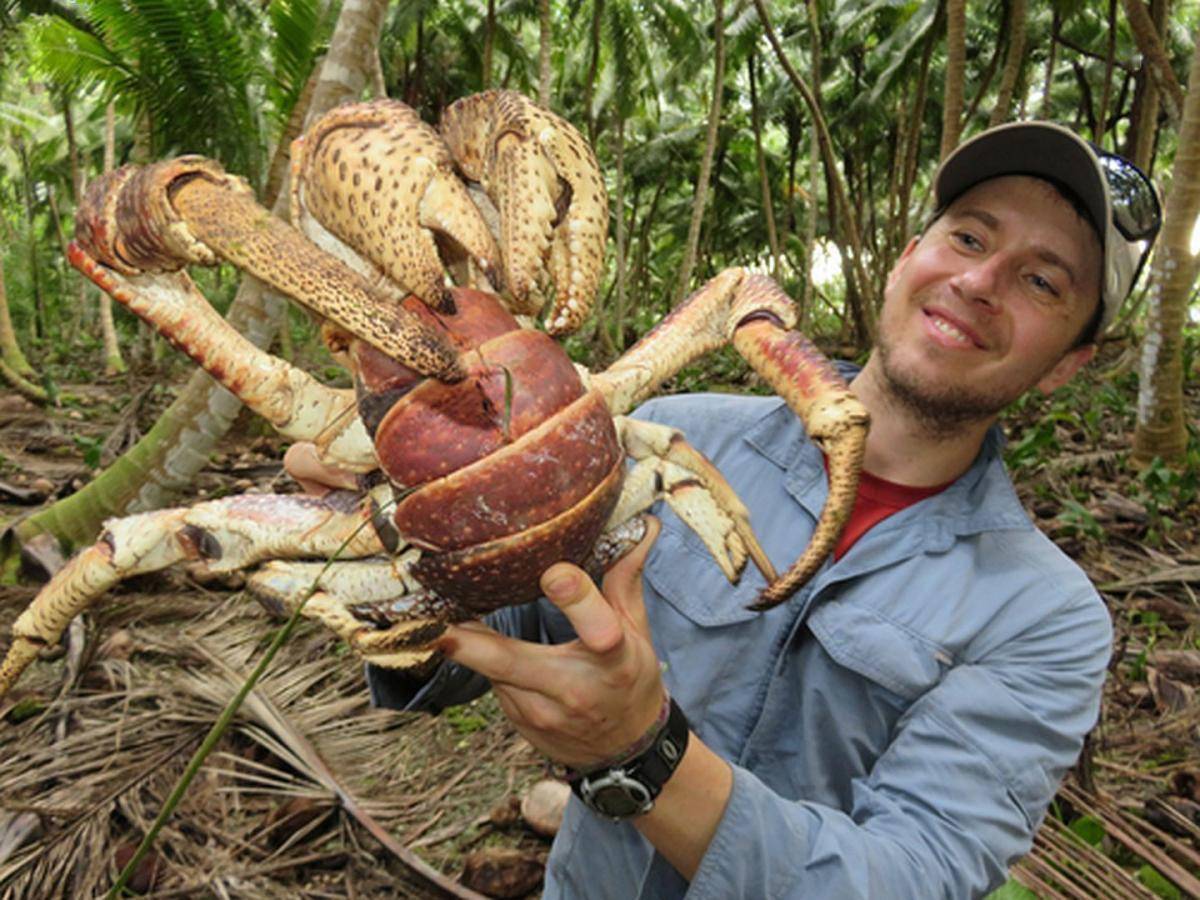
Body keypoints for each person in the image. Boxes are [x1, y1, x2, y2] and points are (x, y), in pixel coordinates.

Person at [359, 122, 1163, 898]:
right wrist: (402, 529)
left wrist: (644, 753)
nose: (980, 283)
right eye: (970, 238)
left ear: (1070, 363)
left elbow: (916, 876)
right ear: (907, 258)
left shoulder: (1045, 618)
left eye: (1042, 281)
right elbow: (491, 632)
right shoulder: (669, 434)